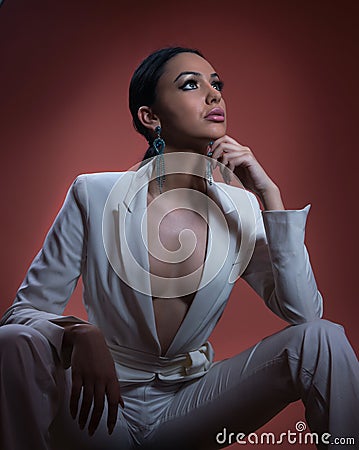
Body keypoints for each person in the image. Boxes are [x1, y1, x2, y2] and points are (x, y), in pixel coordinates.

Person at [0, 47, 358, 450]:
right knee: (12, 343)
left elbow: (304, 314)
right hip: (98, 408)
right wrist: (77, 333)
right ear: (150, 117)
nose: (214, 95)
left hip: (191, 407)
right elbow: (21, 314)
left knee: (323, 339)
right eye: (192, 84)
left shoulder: (240, 207)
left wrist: (269, 197)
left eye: (216, 84)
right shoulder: (94, 194)